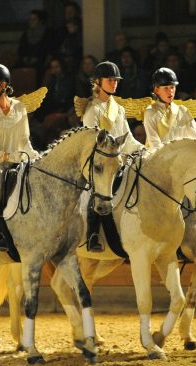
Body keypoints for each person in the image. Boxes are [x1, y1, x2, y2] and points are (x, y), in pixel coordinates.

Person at [0, 63, 39, 258]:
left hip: (14, 161)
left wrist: (34, 156)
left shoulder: (19, 107)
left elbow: (23, 140)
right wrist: (4, 156)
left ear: (3, 85)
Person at [81, 61, 142, 252]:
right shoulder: (92, 110)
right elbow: (90, 141)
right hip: (98, 163)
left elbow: (128, 139)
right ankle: (92, 235)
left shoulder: (119, 109)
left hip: (117, 161)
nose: (114, 83)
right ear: (98, 82)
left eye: (116, 80)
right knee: (100, 189)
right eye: (110, 80)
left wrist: (143, 149)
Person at [143, 67, 196, 150]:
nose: (170, 92)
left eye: (172, 87)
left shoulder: (182, 110)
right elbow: (154, 143)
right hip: (158, 159)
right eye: (166, 88)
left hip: (180, 158)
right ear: (156, 90)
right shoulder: (150, 112)